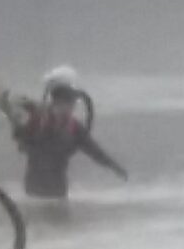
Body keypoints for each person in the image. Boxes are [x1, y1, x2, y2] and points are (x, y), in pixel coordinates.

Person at [15, 69, 127, 199]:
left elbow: (95, 151)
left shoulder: (74, 128)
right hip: (34, 187)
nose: (71, 108)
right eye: (69, 103)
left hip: (58, 188)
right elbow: (20, 138)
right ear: (56, 102)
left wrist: (115, 167)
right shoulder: (38, 119)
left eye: (72, 104)